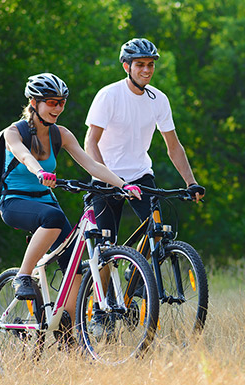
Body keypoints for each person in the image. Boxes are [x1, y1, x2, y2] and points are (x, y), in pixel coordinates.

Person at [0, 73, 141, 326]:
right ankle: (23, 276)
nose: (58, 108)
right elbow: (23, 155)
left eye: (61, 102)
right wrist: (40, 171)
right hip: (14, 202)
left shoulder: (60, 134)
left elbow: (91, 164)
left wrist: (123, 184)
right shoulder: (13, 132)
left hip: (45, 202)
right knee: (53, 218)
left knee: (75, 262)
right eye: (51, 102)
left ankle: (66, 326)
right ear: (34, 102)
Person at [84, 38, 205, 244]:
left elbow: (174, 146)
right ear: (126, 66)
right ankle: (108, 271)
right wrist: (105, 176)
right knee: (106, 247)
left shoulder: (159, 99)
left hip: (140, 175)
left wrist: (191, 182)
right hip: (107, 178)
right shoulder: (109, 95)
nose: (147, 70)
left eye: (150, 64)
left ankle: (138, 273)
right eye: (140, 64)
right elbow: (90, 143)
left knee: (157, 233)